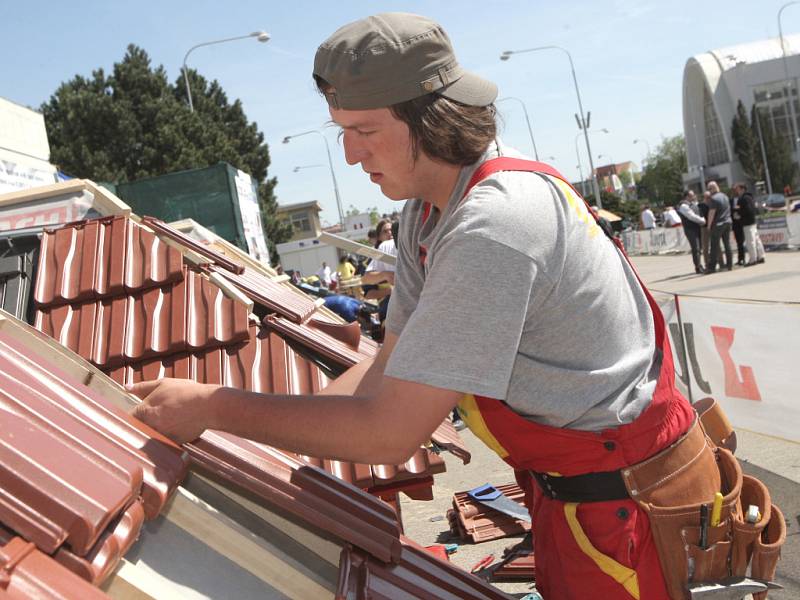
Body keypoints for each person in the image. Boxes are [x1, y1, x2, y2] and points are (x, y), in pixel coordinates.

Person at [130, 13, 721, 599]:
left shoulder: (494, 224)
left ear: (429, 119)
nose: (350, 155)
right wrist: (255, 441)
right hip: (578, 501)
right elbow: (385, 371)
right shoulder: (429, 211)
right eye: (341, 131)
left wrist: (216, 406)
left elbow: (390, 431)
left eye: (364, 131)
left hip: (634, 515)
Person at [732, 182, 765, 266]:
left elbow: (746, 210)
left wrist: (738, 214)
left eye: (738, 189)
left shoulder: (743, 199)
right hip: (753, 221)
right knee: (757, 240)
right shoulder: (750, 197)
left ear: (742, 189)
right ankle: (761, 256)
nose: (737, 191)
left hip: (747, 222)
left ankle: (752, 259)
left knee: (750, 241)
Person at [705, 181, 733, 273]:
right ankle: (730, 264)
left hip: (718, 224)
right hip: (728, 222)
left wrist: (709, 226)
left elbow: (711, 213)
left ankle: (711, 267)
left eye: (709, 189)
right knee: (727, 244)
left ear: (712, 188)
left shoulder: (714, 199)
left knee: (714, 246)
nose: (709, 191)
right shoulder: (725, 196)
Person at [677, 190, 706, 274]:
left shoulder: (693, 204)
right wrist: (703, 221)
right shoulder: (683, 206)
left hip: (697, 228)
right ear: (687, 196)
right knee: (696, 248)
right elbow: (691, 216)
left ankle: (699, 265)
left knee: (699, 248)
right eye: (692, 195)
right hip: (690, 229)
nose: (694, 196)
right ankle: (698, 266)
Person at [729, 186, 746, 265]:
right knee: (739, 242)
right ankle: (741, 259)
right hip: (735, 224)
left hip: (743, 222)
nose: (735, 192)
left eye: (736, 190)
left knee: (746, 240)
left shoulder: (743, 198)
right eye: (733, 190)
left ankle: (749, 257)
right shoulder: (731, 200)